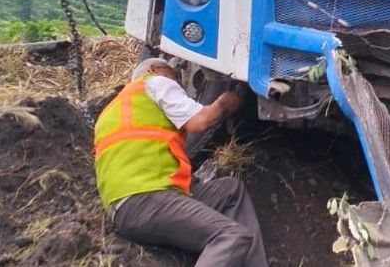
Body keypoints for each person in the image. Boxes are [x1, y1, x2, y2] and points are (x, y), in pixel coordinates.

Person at [95, 58, 268, 267]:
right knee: (231, 236)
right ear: (153, 69)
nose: (178, 85)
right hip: (148, 197)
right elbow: (201, 120)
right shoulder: (155, 83)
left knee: (231, 190)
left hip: (126, 207)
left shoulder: (112, 112)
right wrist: (227, 101)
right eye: (175, 77)